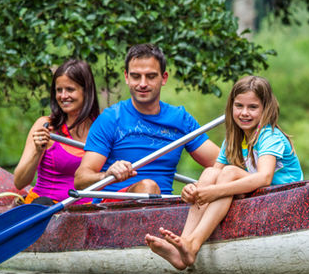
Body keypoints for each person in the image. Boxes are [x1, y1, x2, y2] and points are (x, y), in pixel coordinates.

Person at [145, 75, 303, 270]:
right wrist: (193, 190)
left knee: (228, 173)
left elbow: (265, 177)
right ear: (231, 107)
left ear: (265, 108)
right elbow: (213, 175)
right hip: (256, 195)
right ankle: (183, 246)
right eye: (239, 106)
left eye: (252, 107)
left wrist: (215, 192)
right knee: (211, 172)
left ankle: (193, 244)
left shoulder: (269, 135)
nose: (244, 113)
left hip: (282, 197)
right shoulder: (232, 140)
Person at [74, 43, 219, 197]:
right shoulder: (110, 119)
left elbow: (223, 162)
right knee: (148, 187)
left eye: (150, 76)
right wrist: (107, 175)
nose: (143, 84)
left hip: (162, 212)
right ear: (126, 77)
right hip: (113, 209)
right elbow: (81, 179)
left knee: (216, 173)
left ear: (163, 78)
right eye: (136, 76)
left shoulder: (180, 119)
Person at [13, 59, 99, 205]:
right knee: (44, 204)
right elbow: (19, 182)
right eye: (59, 90)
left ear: (86, 91)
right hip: (47, 207)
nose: (63, 96)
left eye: (70, 89)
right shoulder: (46, 126)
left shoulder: (103, 127)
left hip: (88, 211)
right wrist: (37, 151)